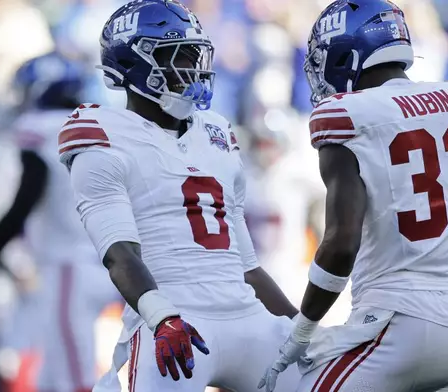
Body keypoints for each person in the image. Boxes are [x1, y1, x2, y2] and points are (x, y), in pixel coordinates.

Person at [258, 1, 448, 391]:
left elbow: (341, 243)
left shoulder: (346, 114)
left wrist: (303, 330)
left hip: (395, 323)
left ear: (348, 53)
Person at [57, 1, 301, 391]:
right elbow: (120, 254)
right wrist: (162, 317)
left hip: (249, 318)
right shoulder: (102, 133)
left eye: (195, 54)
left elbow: (248, 267)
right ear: (133, 64)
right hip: (176, 322)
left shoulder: (217, 132)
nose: (193, 68)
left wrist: (302, 327)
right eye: (178, 57)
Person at [0, 51, 121, 392]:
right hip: (101, 258)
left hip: (67, 263)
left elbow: (26, 197)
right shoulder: (93, 126)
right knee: (51, 375)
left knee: (75, 375)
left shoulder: (43, 129)